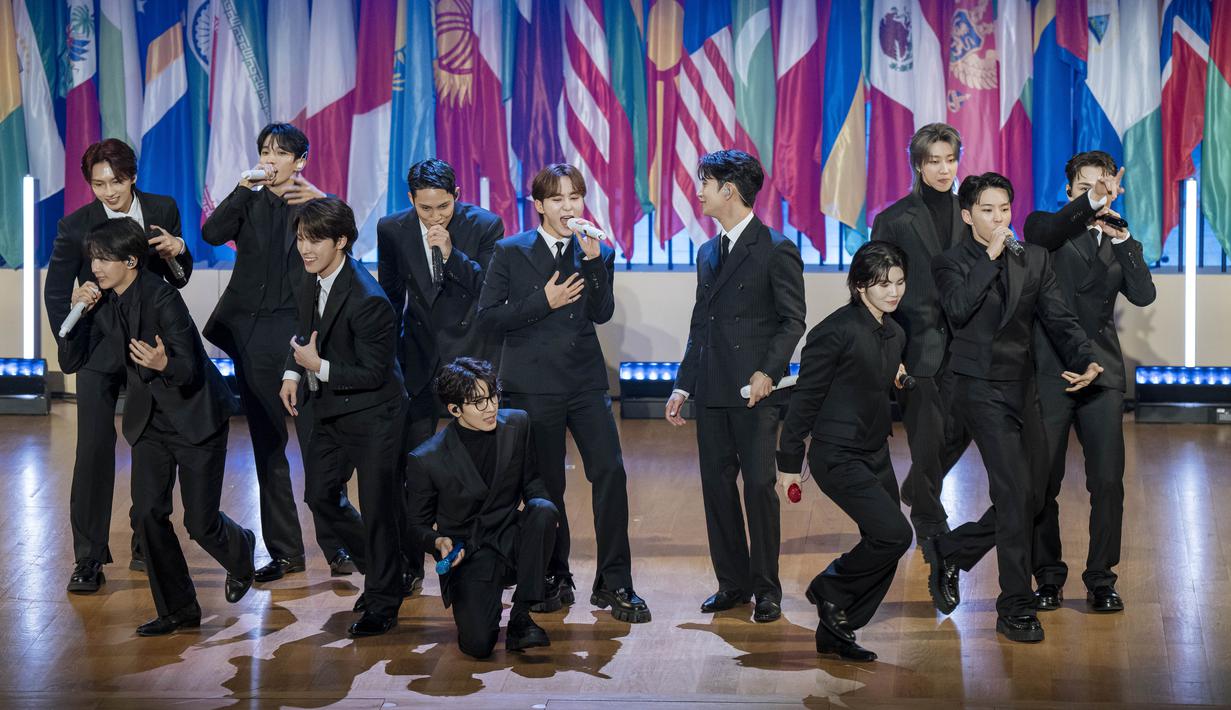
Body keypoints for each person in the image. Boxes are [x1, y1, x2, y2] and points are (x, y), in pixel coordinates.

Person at [923, 173, 1103, 643]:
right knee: (1012, 491)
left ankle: (952, 550)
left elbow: (1059, 317)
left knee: (1034, 495)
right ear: (968, 216)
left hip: (1024, 386)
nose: (999, 218)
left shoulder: (1035, 257)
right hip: (977, 389)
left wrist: (1086, 358)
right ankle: (1015, 607)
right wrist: (990, 257)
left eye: (1004, 209)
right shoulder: (950, 263)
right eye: (987, 210)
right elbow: (959, 309)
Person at [58, 218, 255, 636]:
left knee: (200, 524)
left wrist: (163, 363)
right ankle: (179, 608)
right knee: (148, 515)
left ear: (131, 261)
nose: (95, 267)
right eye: (93, 258)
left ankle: (240, 548)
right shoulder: (102, 302)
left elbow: (190, 366)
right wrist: (75, 315)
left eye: (104, 259)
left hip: (196, 416)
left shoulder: (163, 298)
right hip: (150, 422)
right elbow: (72, 363)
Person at [478, 163, 650, 624]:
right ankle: (556, 575)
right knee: (546, 486)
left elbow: (601, 311)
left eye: (574, 197)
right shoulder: (510, 251)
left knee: (610, 473)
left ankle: (615, 582)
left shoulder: (595, 250)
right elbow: (490, 317)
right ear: (538, 205)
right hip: (531, 387)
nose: (568, 207)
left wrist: (594, 262)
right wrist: (543, 302)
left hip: (585, 383)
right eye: (557, 199)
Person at [202, 123, 353, 582]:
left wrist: (312, 197)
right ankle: (286, 551)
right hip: (250, 334)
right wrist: (240, 188)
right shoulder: (247, 198)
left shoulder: (314, 206)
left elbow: (340, 250)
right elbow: (211, 233)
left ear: (300, 160)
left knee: (316, 445)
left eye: (280, 153)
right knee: (268, 445)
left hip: (301, 333)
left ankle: (339, 544)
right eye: (265, 151)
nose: (270, 159)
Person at [45, 138, 194, 593]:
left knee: (151, 444)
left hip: (149, 348)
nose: (108, 192)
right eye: (98, 183)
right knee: (92, 449)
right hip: (96, 350)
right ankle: (88, 558)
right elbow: (56, 293)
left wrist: (178, 251)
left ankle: (145, 543)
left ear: (133, 178)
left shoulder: (161, 209)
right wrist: (71, 342)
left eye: (115, 182)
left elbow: (176, 281)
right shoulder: (75, 225)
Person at [665, 149, 806, 624]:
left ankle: (767, 589)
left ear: (729, 190)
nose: (699, 190)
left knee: (760, 489)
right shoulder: (708, 251)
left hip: (755, 393)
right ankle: (732, 584)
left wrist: (768, 371)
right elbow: (699, 324)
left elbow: (793, 320)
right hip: (711, 389)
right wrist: (683, 386)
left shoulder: (776, 248)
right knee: (716, 489)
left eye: (705, 182)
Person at [1024, 152, 1155, 613]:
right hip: (1051, 368)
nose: (1097, 194)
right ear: (1069, 191)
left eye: (1104, 186)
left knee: (1107, 482)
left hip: (1104, 374)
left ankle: (1101, 579)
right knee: (1044, 482)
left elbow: (1142, 295)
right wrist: (1090, 202)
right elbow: (1044, 232)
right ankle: (1047, 577)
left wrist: (1126, 240)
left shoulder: (1115, 236)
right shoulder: (1049, 230)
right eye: (1086, 187)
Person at [777, 241, 914, 662]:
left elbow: (875, 371)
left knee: (885, 541)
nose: (893, 291)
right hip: (836, 453)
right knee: (896, 534)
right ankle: (830, 589)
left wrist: (897, 372)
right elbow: (805, 399)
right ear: (859, 286)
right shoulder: (833, 331)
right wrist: (787, 464)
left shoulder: (895, 331)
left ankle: (838, 628)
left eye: (899, 282)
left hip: (874, 449)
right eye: (882, 284)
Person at [279, 198, 408, 637]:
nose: (305, 249)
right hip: (331, 407)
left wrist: (318, 367)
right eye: (300, 238)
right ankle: (383, 570)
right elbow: (303, 328)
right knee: (319, 495)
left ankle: (384, 600)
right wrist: (294, 371)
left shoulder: (370, 300)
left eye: (315, 240)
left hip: (376, 414)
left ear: (342, 241)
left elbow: (374, 372)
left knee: (378, 509)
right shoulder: (307, 275)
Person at [377, 158, 504, 594]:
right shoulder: (391, 228)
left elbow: (490, 289)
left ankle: (485, 557)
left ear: (457, 196)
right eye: (425, 208)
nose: (434, 216)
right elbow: (391, 296)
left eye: (443, 207)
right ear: (411, 200)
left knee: (479, 464)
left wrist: (451, 253)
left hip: (469, 357)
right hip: (418, 356)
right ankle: (411, 564)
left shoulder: (486, 225)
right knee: (411, 465)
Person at [406, 358, 559, 658]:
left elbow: (532, 483)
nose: (490, 408)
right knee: (478, 646)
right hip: (471, 550)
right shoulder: (427, 458)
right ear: (454, 409)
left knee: (543, 510)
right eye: (478, 402)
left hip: (510, 536)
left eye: (492, 396)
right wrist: (437, 541)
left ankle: (520, 616)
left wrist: (545, 508)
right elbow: (416, 525)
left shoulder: (517, 424)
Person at [870, 123, 972, 543]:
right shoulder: (893, 220)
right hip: (915, 347)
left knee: (963, 428)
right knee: (927, 441)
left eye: (950, 160)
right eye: (935, 161)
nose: (944, 169)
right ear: (917, 164)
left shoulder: (972, 211)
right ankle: (933, 533)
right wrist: (890, 352)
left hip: (967, 345)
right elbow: (875, 292)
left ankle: (915, 489)